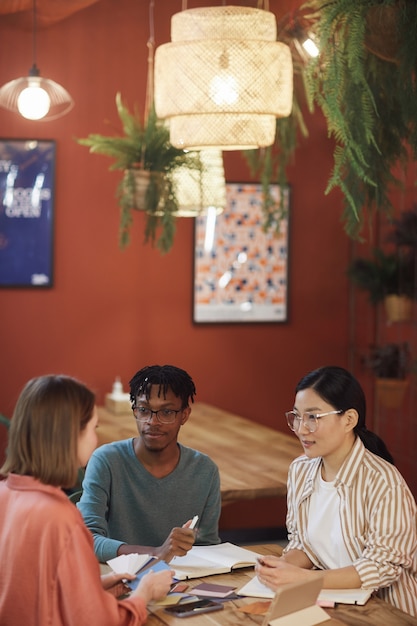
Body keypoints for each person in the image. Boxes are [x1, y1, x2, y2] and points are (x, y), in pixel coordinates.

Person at [0, 375, 173, 626]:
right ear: (71, 435)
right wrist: (143, 595)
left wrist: (93, 588)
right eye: (94, 428)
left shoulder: (5, 494)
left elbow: (26, 590)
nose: (96, 438)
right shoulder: (60, 516)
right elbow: (97, 622)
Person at [256, 366, 417, 616]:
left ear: (349, 420)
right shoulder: (300, 470)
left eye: (313, 417)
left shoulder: (383, 481)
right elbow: (304, 542)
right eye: (296, 416)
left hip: (387, 613)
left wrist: (302, 579)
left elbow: (381, 567)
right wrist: (281, 567)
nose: (301, 428)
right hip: (332, 604)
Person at [78, 364, 221, 563]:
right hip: (117, 579)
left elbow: (208, 546)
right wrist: (156, 553)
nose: (152, 422)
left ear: (184, 415)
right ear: (134, 410)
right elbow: (85, 540)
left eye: (167, 412)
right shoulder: (106, 461)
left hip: (179, 582)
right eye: (144, 410)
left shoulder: (205, 471)